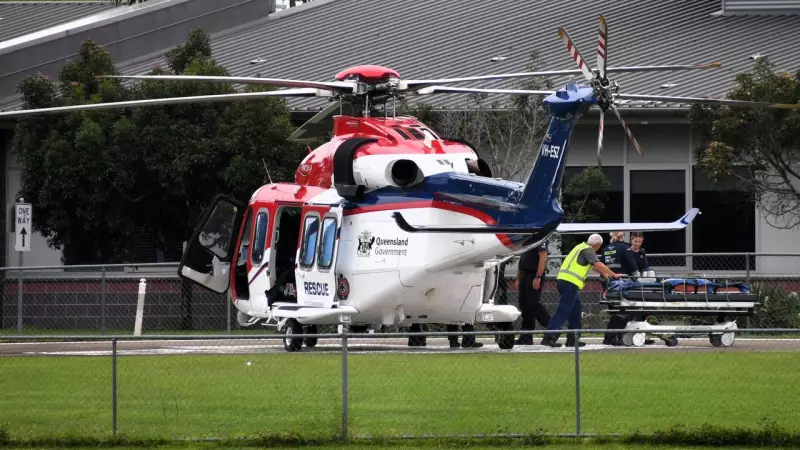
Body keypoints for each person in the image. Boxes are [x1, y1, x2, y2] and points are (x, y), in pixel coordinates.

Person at [541, 234, 622, 348]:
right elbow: (597, 263)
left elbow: (591, 265)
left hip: (565, 282)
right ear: (597, 244)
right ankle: (549, 337)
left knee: (576, 312)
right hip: (570, 283)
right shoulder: (588, 250)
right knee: (563, 311)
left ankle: (572, 340)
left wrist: (604, 273)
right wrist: (613, 274)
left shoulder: (580, 247)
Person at [601, 232, 640, 346]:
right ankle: (614, 337)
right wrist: (637, 278)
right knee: (624, 311)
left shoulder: (606, 249)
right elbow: (633, 267)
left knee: (615, 311)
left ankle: (611, 337)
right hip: (624, 284)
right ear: (622, 237)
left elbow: (602, 267)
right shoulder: (625, 248)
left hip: (609, 284)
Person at [514, 238, 552, 345]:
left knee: (533, 304)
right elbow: (521, 259)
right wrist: (518, 278)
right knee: (524, 306)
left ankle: (553, 328)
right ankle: (526, 337)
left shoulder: (541, 238)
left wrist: (538, 277)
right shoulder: (527, 239)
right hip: (524, 275)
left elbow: (543, 257)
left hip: (534, 275)